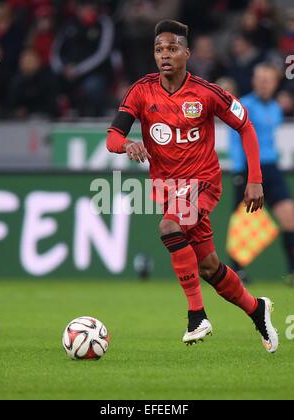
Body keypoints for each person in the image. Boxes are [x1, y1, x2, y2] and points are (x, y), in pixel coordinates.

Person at [106, 20, 278, 353]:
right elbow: (113, 136)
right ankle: (257, 309)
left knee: (170, 227)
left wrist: (255, 178)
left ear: (187, 53)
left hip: (204, 183)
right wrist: (127, 144)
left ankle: (197, 315)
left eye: (172, 48)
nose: (164, 55)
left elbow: (245, 126)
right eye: (159, 49)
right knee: (210, 267)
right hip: (168, 191)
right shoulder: (141, 91)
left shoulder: (206, 93)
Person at [229, 63, 294, 284]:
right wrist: (239, 170)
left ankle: (292, 271)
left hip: (271, 167)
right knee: (241, 221)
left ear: (275, 83)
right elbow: (235, 140)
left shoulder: (276, 108)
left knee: (289, 217)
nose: (264, 84)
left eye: (268, 80)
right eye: (260, 79)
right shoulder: (243, 105)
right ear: (254, 82)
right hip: (247, 168)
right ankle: (237, 271)